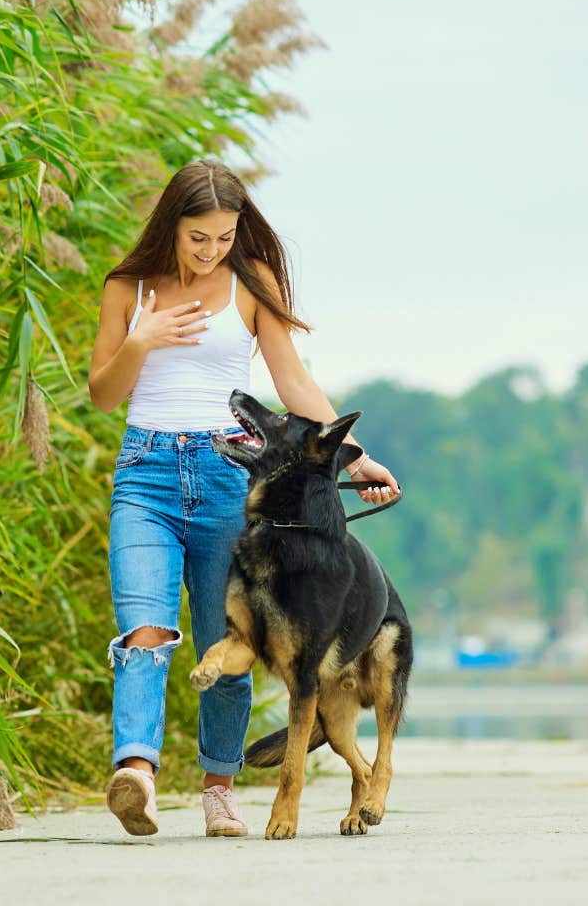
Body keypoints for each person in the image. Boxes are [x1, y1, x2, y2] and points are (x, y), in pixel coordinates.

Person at [87, 158, 400, 838]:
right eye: (198, 236)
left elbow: (293, 384)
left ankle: (219, 789)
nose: (211, 250)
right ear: (172, 225)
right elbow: (104, 395)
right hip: (146, 475)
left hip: (229, 479)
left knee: (231, 642)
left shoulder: (249, 287)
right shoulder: (127, 288)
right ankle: (135, 772)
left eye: (224, 236)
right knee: (144, 632)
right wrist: (140, 340)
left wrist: (358, 456)